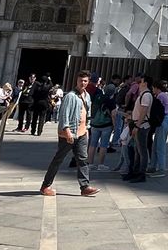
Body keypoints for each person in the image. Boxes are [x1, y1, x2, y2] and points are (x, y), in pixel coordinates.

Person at [40, 70, 99, 198]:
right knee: (58, 159)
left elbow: (87, 114)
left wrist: (87, 129)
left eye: (85, 81)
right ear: (76, 81)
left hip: (82, 133)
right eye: (80, 80)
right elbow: (64, 115)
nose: (82, 83)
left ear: (88, 82)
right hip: (69, 133)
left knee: (83, 160)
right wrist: (67, 131)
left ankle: (85, 187)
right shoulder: (70, 96)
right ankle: (45, 185)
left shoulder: (87, 96)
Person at [126, 75, 154, 183]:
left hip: (142, 126)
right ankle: (136, 171)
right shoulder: (143, 94)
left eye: (140, 82)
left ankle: (141, 173)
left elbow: (143, 112)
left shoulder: (146, 95)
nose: (138, 83)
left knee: (142, 151)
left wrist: (137, 126)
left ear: (145, 83)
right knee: (137, 150)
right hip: (139, 124)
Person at [88, 77, 115, 171]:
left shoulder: (98, 97)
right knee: (103, 145)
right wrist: (114, 126)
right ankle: (101, 164)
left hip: (94, 123)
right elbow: (113, 115)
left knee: (92, 144)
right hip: (106, 125)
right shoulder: (111, 101)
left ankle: (90, 163)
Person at [148, 79, 168, 176]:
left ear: (156, 88)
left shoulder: (161, 96)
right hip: (165, 120)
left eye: (153, 88)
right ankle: (153, 166)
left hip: (163, 121)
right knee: (156, 145)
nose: (152, 90)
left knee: (160, 146)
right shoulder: (164, 95)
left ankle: (161, 169)